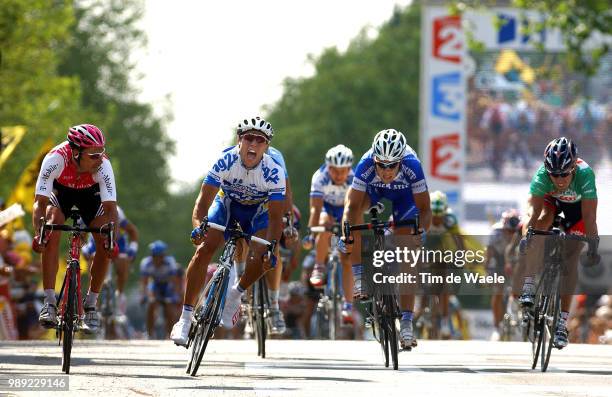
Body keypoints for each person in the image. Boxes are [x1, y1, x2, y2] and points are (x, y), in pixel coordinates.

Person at [170, 116, 285, 346]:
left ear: (266, 146)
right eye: (248, 138)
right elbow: (202, 203)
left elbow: (275, 218)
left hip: (257, 212)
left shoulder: (274, 171)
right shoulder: (225, 160)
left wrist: (271, 246)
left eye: (260, 140)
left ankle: (235, 294)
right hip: (226, 206)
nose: (253, 144)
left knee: (265, 256)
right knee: (204, 249)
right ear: (239, 140)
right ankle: (184, 318)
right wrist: (198, 227)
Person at [339, 129, 431, 349]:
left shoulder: (412, 165)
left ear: (400, 161)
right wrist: (347, 233)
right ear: (375, 160)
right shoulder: (366, 165)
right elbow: (351, 206)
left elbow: (425, 209)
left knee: (408, 253)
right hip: (374, 192)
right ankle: (360, 276)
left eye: (392, 165)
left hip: (405, 197)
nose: (387, 171)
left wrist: (421, 232)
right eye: (382, 165)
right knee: (354, 219)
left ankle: (407, 322)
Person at [32, 124, 118, 334]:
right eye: (94, 155)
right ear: (76, 153)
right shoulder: (55, 160)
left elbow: (110, 210)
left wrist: (111, 238)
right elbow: (39, 203)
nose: (100, 159)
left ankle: (91, 305)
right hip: (61, 194)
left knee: (103, 236)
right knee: (51, 228)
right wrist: (39, 233)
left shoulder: (103, 166)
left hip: (91, 195)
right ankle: (50, 302)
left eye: (102, 153)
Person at [518, 137, 599, 349]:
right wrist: (528, 238)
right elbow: (533, 214)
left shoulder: (585, 175)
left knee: (571, 259)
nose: (560, 179)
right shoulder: (542, 176)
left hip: (577, 210)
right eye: (555, 174)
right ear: (547, 170)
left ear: (574, 167)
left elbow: (589, 218)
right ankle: (529, 285)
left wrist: (593, 247)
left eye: (564, 174)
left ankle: (562, 323)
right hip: (550, 204)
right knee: (541, 222)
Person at [303, 144, 355, 325]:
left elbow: (354, 209)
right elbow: (315, 209)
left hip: (345, 210)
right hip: (326, 208)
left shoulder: (354, 179)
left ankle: (348, 305)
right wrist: (310, 232)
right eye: (335, 171)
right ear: (328, 168)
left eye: (343, 171)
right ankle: (319, 266)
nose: (340, 175)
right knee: (324, 224)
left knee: (346, 258)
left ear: (349, 169)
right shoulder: (319, 177)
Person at [82, 206, 139, 316]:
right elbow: (81, 235)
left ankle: (120, 295)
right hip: (95, 244)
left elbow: (132, 231)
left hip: (117, 243)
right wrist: (84, 249)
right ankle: (94, 304)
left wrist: (133, 249)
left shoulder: (116, 210)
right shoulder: (87, 206)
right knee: (93, 258)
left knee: (123, 260)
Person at [486, 209, 521, 341]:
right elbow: (489, 253)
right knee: (498, 291)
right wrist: (487, 272)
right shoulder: (496, 232)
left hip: (514, 261)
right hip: (498, 262)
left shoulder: (521, 231)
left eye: (514, 232)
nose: (511, 235)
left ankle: (517, 312)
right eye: (508, 231)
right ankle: (496, 326)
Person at [140, 240, 181, 339]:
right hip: (155, 286)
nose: (155, 259)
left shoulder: (170, 262)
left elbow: (175, 281)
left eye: (158, 256)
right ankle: (150, 333)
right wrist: (144, 295)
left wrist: (177, 295)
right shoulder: (146, 263)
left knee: (169, 307)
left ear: (163, 256)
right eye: (153, 256)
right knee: (151, 304)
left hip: (167, 286)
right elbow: (144, 283)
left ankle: (169, 333)